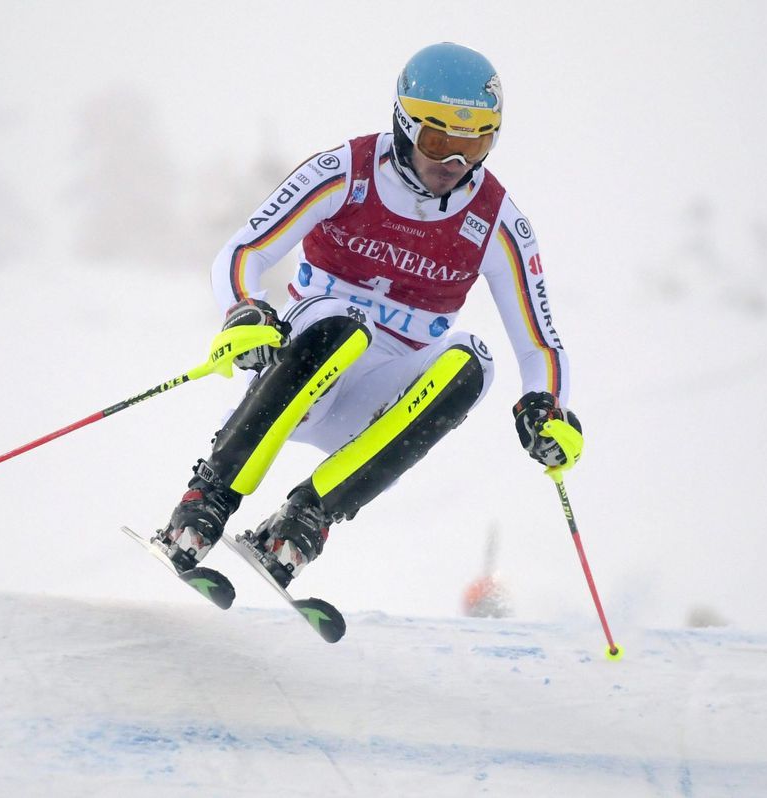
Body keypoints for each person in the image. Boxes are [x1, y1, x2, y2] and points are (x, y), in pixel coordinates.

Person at [152, 42, 583, 589]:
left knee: (476, 361)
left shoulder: (497, 220)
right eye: (437, 141)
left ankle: (305, 520)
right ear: (403, 125)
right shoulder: (347, 171)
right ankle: (209, 498)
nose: (453, 164)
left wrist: (547, 409)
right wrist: (245, 311)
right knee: (346, 323)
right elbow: (243, 252)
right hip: (303, 379)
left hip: (378, 406)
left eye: (475, 145)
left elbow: (539, 344)